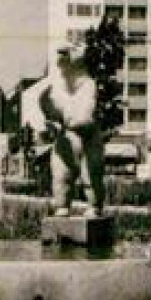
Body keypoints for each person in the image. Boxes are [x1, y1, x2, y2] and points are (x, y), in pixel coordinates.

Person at [25, 45, 105, 216]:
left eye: (66, 60)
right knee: (61, 176)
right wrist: (49, 114)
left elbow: (85, 116)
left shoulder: (89, 85)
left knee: (91, 176)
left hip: (87, 140)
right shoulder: (58, 87)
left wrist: (68, 121)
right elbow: (51, 108)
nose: (62, 66)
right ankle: (62, 205)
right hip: (65, 139)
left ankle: (94, 206)